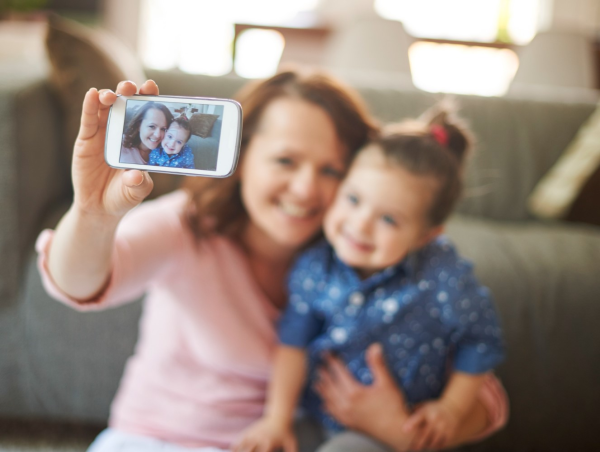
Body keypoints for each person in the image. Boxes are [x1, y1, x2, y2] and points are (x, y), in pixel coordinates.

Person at [37, 70, 507, 452]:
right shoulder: (185, 226)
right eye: (285, 161)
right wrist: (92, 215)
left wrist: (397, 427)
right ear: (242, 158)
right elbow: (77, 283)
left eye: (331, 171)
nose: (305, 190)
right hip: (158, 440)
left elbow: (485, 399)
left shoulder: (361, 258)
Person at [234, 105, 507, 452]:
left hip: (390, 432)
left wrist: (451, 409)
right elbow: (293, 344)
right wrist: (276, 419)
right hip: (317, 417)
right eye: (353, 199)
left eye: (389, 220)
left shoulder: (444, 278)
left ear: (427, 235)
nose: (359, 224)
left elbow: (480, 342)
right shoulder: (316, 266)